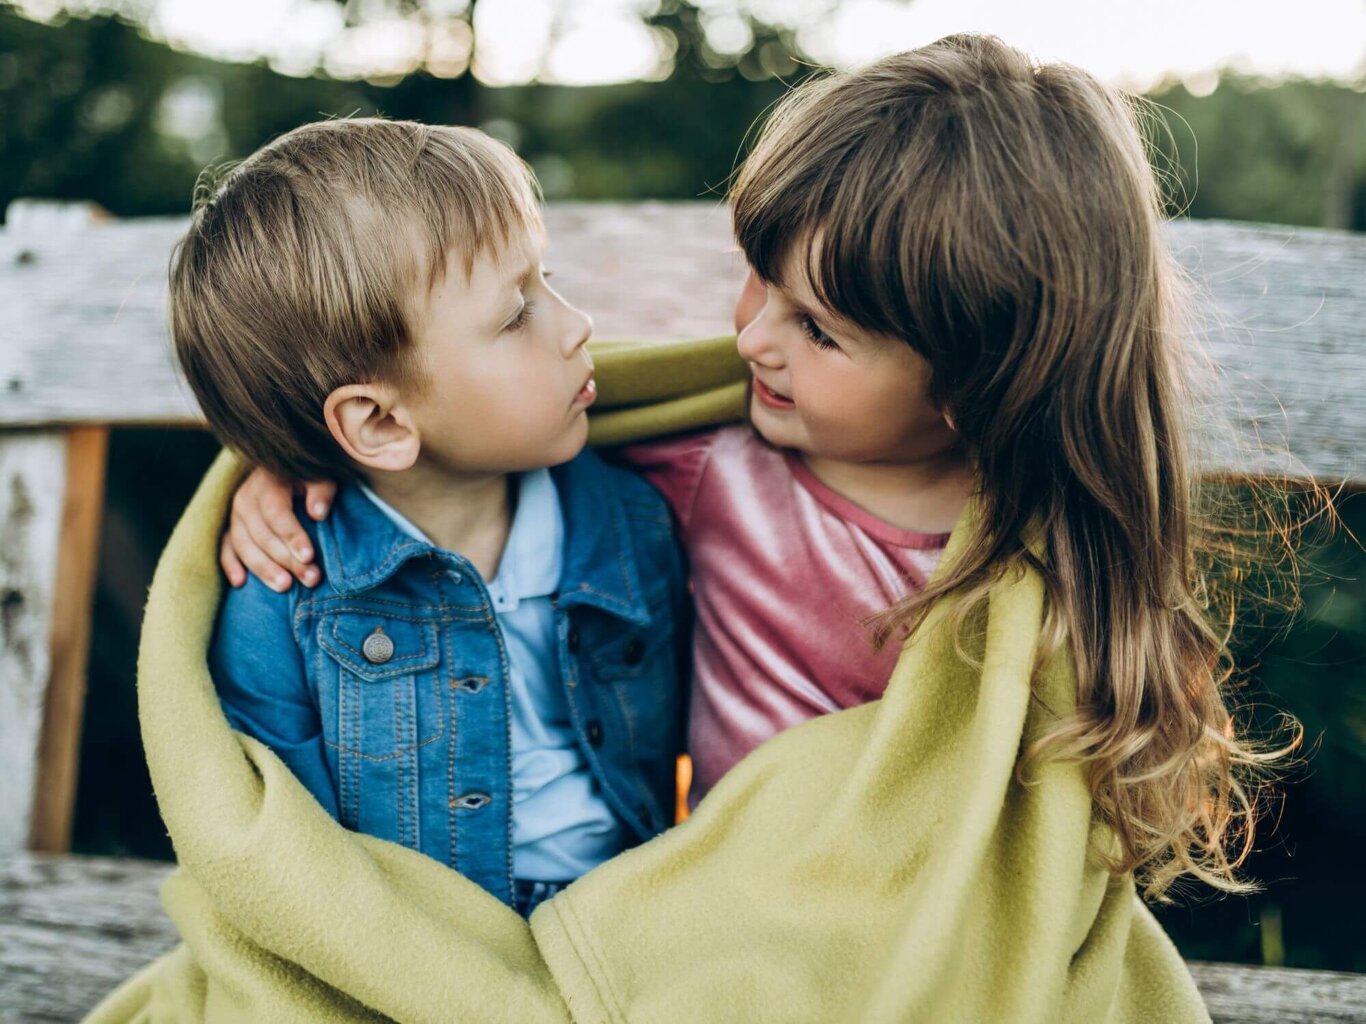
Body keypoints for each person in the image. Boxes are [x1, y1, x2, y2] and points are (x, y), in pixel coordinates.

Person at [223, 34, 1277, 899]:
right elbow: (442, 432)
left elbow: (1037, 850)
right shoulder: (702, 469)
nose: (753, 342)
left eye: (815, 328)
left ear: (976, 379)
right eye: (757, 283)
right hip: (710, 917)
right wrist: (288, 470)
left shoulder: (1040, 564)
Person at [169, 118, 689, 919]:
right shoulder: (287, 588)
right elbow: (279, 859)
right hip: (414, 942)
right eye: (516, 314)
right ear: (379, 423)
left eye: (545, 280)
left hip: (628, 919)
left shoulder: (633, 520)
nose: (578, 324)